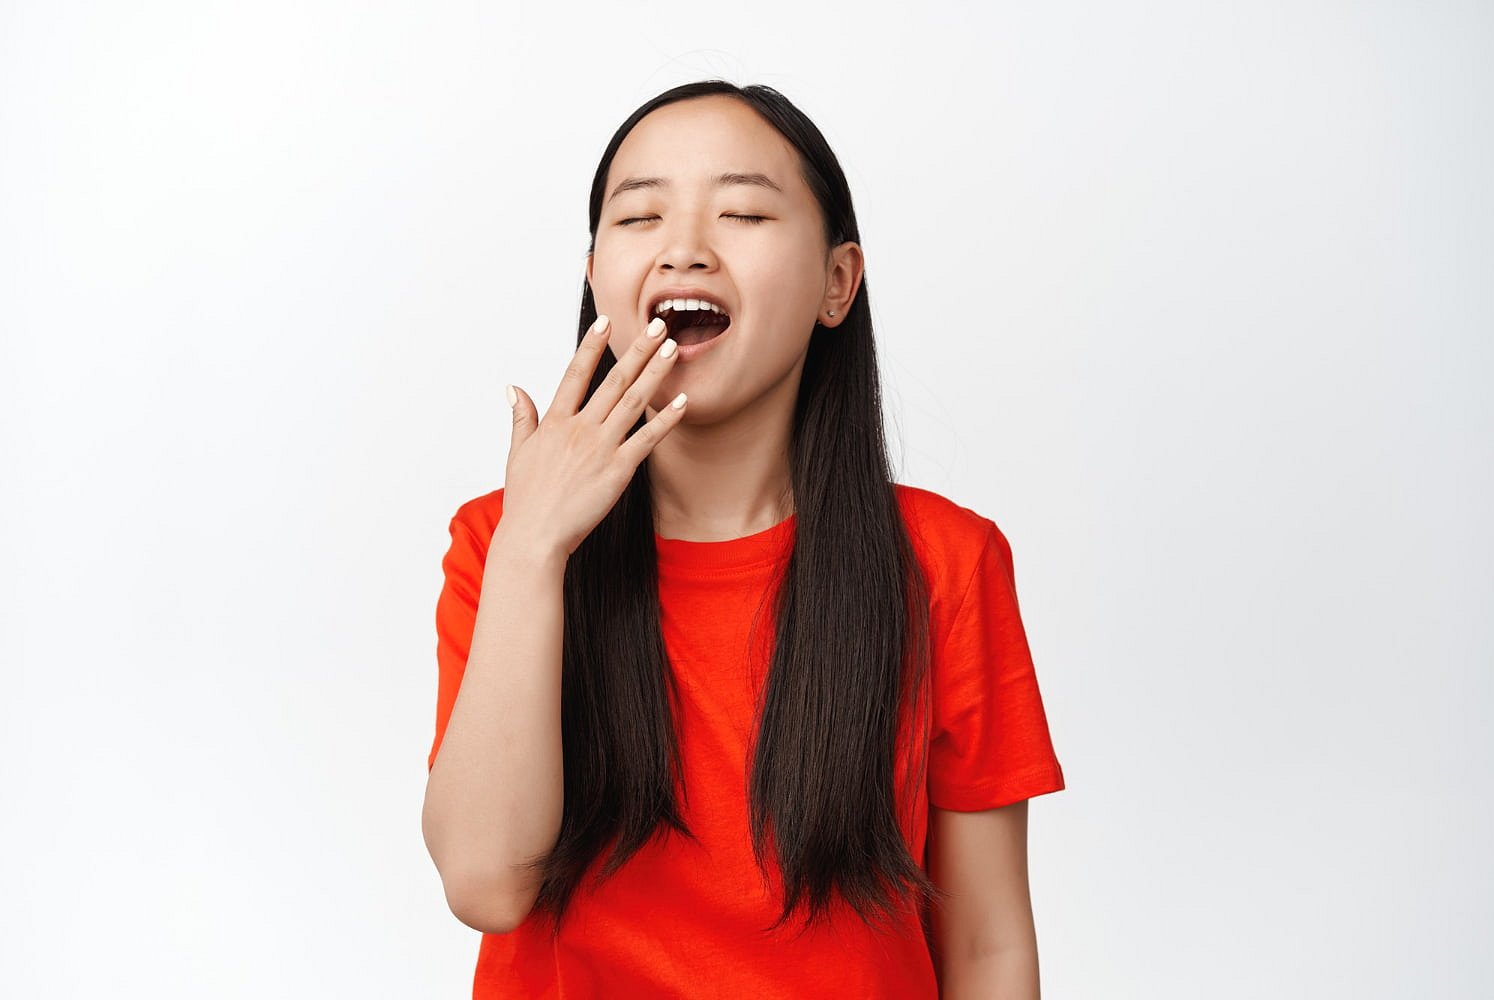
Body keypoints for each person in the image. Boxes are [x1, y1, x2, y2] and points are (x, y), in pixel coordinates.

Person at [421, 80, 1066, 999]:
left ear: (836, 284)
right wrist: (535, 551)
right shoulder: (499, 543)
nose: (685, 248)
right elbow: (485, 884)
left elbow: (987, 947)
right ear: (596, 273)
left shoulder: (947, 563)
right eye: (639, 215)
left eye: (743, 213)